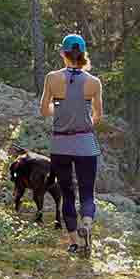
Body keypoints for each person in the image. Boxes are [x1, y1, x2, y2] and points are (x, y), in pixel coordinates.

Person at [39, 33, 103, 257]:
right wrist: (82, 122)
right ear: (83, 55)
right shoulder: (94, 83)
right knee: (87, 193)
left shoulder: (52, 78)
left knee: (67, 194)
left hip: (60, 145)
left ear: (63, 54)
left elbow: (44, 110)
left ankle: (75, 242)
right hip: (85, 144)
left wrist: (61, 111)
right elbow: (97, 116)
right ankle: (87, 221)